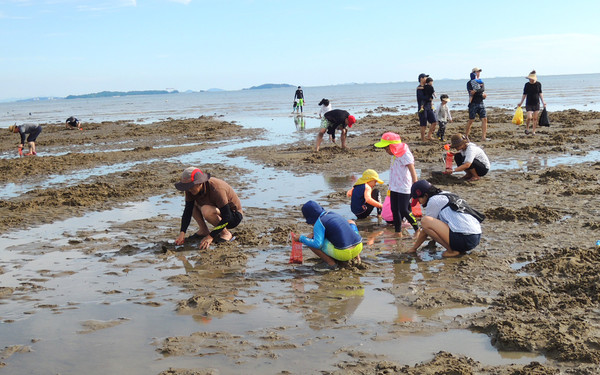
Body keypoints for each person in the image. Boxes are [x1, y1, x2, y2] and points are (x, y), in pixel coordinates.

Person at [407, 180, 482, 257]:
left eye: (418, 200)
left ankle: (452, 251)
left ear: (426, 195)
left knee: (425, 221)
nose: (419, 203)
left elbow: (425, 230)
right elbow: (437, 226)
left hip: (465, 238)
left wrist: (414, 248)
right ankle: (456, 248)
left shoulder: (433, 201)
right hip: (476, 236)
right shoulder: (446, 194)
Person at [174, 167, 243, 250]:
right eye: (186, 187)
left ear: (200, 183)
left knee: (206, 210)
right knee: (192, 204)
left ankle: (225, 233)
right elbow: (187, 211)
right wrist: (182, 233)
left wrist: (211, 236)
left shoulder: (216, 189)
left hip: (233, 216)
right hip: (216, 209)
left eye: (191, 187)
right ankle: (203, 230)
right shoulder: (190, 190)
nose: (189, 189)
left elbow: (227, 217)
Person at [291, 200, 363, 271]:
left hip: (343, 254)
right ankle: (358, 258)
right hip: (358, 247)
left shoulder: (319, 222)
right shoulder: (332, 213)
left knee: (310, 237)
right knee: (350, 222)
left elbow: (317, 244)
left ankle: (331, 264)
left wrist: (301, 238)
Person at [374, 132, 419, 237]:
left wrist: (415, 184)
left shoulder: (405, 154)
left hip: (404, 187)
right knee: (394, 209)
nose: (386, 151)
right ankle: (398, 232)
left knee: (404, 210)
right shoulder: (395, 154)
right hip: (394, 186)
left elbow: (412, 169)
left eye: (387, 149)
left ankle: (417, 228)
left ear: (393, 146)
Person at [517, 70, 547, 136]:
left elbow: (540, 93)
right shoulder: (527, 85)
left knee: (535, 118)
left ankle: (533, 131)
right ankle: (527, 129)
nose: (530, 80)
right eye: (529, 79)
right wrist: (521, 102)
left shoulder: (538, 84)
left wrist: (543, 101)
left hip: (536, 103)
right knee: (529, 117)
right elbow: (524, 94)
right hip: (529, 103)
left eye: (531, 79)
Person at [465, 67, 488, 142]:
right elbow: (471, 92)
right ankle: (466, 136)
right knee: (471, 120)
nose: (478, 73)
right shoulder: (469, 83)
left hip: (481, 102)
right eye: (477, 72)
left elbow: (482, 89)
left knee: (484, 119)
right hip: (473, 103)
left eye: (479, 72)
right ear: (473, 73)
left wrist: (478, 92)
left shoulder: (481, 81)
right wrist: (480, 93)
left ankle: (483, 137)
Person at [416, 73, 438, 142]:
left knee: (434, 122)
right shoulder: (419, 88)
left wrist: (431, 100)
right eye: (425, 77)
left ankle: (429, 136)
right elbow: (421, 97)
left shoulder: (427, 86)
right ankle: (423, 138)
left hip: (429, 107)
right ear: (421, 79)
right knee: (423, 124)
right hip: (422, 108)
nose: (426, 79)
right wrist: (429, 98)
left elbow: (431, 92)